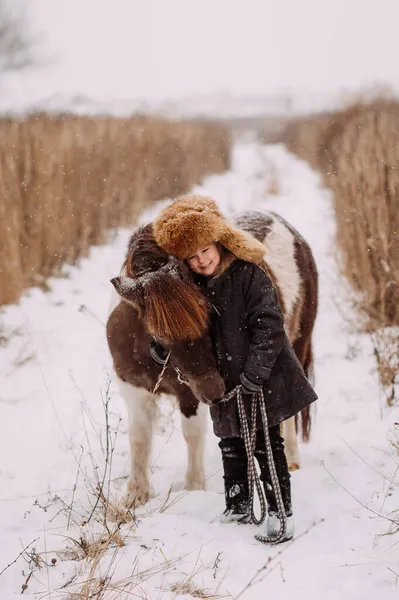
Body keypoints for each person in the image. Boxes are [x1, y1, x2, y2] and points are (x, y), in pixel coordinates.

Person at [153, 195, 318, 543]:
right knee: (231, 446)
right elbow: (187, 331)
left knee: (266, 447)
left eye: (205, 251)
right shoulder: (192, 286)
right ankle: (238, 505)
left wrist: (255, 373)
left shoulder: (249, 275)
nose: (201, 261)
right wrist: (164, 344)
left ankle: (279, 514)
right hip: (225, 382)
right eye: (192, 257)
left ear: (218, 241)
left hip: (262, 379)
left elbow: (270, 327)